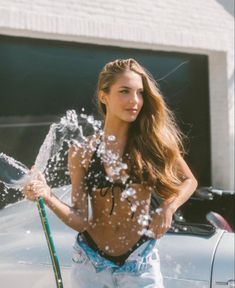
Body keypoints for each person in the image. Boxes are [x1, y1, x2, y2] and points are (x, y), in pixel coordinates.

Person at [22, 58, 198, 288]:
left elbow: (189, 180)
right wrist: (47, 194)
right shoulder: (81, 151)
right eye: (125, 91)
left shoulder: (153, 144)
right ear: (104, 96)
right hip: (91, 263)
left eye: (140, 93)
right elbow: (80, 220)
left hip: (139, 262)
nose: (135, 100)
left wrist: (168, 207)